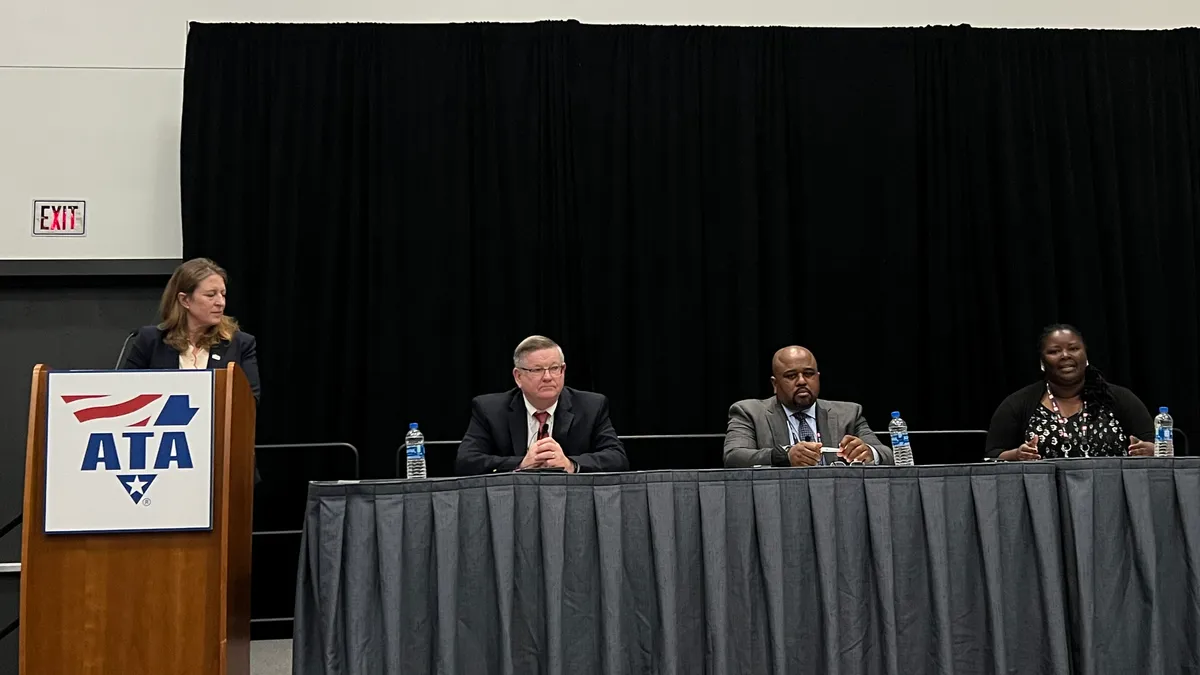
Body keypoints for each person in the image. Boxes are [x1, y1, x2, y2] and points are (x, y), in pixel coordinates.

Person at [455, 335, 628, 475]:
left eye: (554, 368)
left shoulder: (591, 406)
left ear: (563, 370)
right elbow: (466, 462)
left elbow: (617, 458)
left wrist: (571, 464)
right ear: (518, 376)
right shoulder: (489, 409)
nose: (547, 377)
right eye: (537, 370)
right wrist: (521, 463)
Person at [985, 324, 1154, 460]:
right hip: (1044, 496)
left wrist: (1150, 450)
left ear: (1085, 356)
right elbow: (992, 456)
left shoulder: (1120, 398)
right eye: (1054, 351)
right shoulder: (1018, 404)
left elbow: (1160, 447)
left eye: (1073, 349)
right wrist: (1016, 455)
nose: (1065, 355)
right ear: (1042, 362)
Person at [724, 346, 892, 467]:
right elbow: (734, 457)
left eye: (809, 374)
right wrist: (784, 456)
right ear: (775, 384)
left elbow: (886, 454)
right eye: (791, 376)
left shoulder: (848, 414)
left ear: (818, 377)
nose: (802, 381)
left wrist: (869, 453)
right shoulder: (750, 413)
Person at [123, 257, 261, 402]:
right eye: (211, 295)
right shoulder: (151, 340)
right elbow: (123, 391)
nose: (220, 302)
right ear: (185, 300)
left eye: (223, 294)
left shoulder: (240, 343)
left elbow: (250, 402)